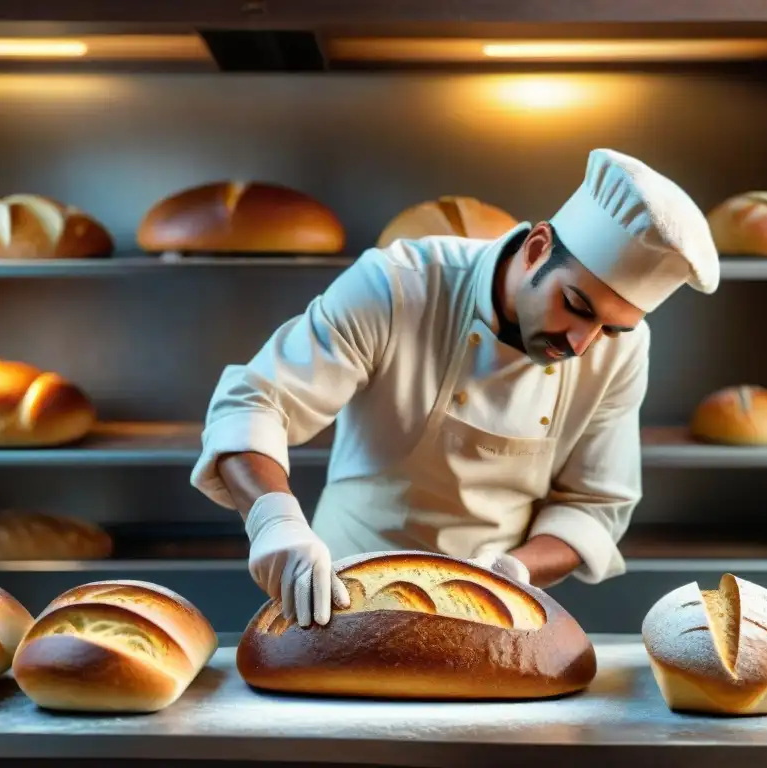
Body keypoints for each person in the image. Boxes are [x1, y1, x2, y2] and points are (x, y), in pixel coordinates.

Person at [191, 148, 720, 628]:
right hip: (338, 593)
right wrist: (276, 522)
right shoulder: (400, 284)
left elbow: (593, 505)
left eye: (611, 328)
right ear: (537, 248)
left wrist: (517, 570)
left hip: (492, 609)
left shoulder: (622, 350)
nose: (582, 343)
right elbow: (256, 399)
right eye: (577, 306)